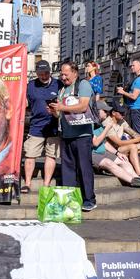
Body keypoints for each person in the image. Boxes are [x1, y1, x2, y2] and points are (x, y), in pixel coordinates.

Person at [48, 61, 96, 212]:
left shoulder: (83, 85)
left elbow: (83, 106)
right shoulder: (62, 90)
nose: (63, 77)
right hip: (66, 134)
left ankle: (89, 199)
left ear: (75, 72)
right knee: (67, 170)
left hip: (82, 134)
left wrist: (62, 107)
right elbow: (60, 114)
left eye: (65, 74)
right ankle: (69, 202)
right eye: (61, 74)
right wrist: (54, 111)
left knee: (84, 168)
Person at [22, 60, 63, 193]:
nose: (43, 76)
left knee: (51, 155)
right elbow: (25, 102)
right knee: (30, 154)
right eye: (40, 73)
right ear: (36, 73)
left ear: (50, 72)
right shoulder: (31, 85)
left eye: (45, 73)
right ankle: (27, 183)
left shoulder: (58, 84)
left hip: (53, 125)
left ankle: (46, 184)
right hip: (36, 125)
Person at [92, 101, 140, 189]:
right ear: (97, 111)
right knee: (109, 162)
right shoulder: (98, 123)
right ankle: (133, 180)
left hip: (107, 151)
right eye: (104, 111)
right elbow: (96, 142)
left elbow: (105, 143)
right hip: (93, 153)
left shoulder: (103, 123)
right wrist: (107, 128)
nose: (106, 113)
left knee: (125, 160)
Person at [116, 59, 140, 134]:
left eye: (133, 65)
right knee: (135, 133)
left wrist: (123, 92)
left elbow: (134, 96)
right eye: (131, 65)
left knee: (138, 134)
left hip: (137, 108)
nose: (132, 67)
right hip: (136, 108)